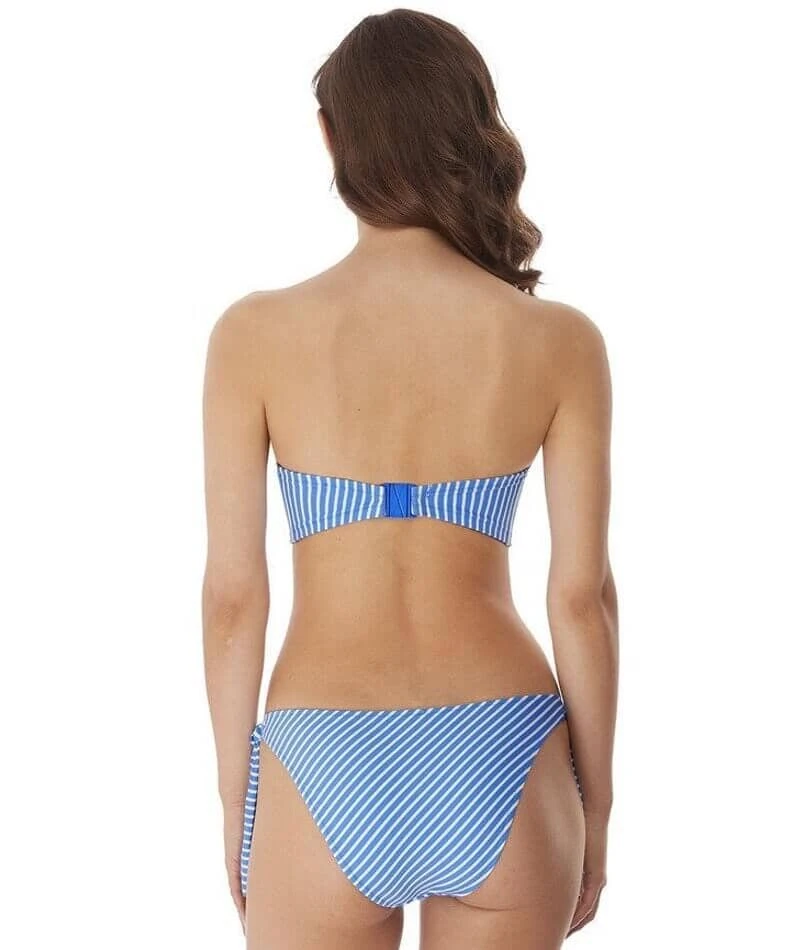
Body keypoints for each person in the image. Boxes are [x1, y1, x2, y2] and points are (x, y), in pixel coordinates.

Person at [202, 9, 618, 949]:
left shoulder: (254, 336)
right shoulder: (559, 341)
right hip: (503, 752)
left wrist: (238, 798)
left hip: (324, 751)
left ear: (332, 138)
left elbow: (234, 598)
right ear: (473, 128)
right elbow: (582, 598)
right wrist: (595, 806)